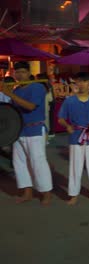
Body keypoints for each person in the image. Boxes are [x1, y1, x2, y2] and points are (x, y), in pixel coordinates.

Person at [0, 62, 53, 205]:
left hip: (35, 130)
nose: (20, 75)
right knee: (19, 163)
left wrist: (9, 93)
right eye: (17, 72)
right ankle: (27, 193)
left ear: (29, 73)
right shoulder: (16, 90)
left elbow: (30, 106)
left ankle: (46, 193)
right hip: (18, 131)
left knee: (38, 163)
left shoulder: (37, 87)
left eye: (23, 72)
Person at [58, 72, 89, 205]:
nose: (82, 84)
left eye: (85, 81)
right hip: (76, 136)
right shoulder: (69, 101)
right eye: (79, 81)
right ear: (76, 84)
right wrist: (67, 126)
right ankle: (73, 194)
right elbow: (61, 118)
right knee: (75, 166)